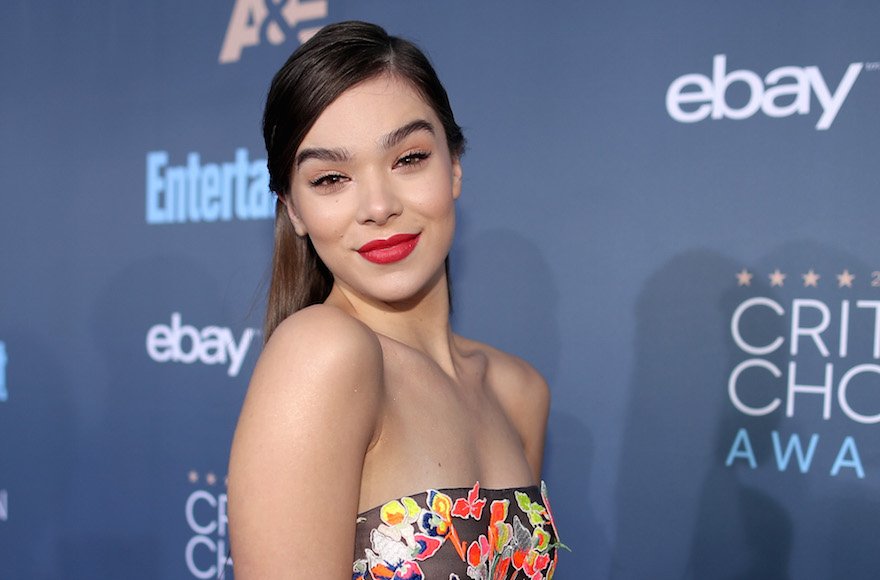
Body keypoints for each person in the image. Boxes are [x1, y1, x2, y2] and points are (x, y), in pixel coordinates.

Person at [227, 20, 561, 580]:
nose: (378, 206)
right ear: (294, 211)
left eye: (408, 159)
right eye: (331, 178)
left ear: (453, 165)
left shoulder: (518, 391)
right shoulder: (321, 354)